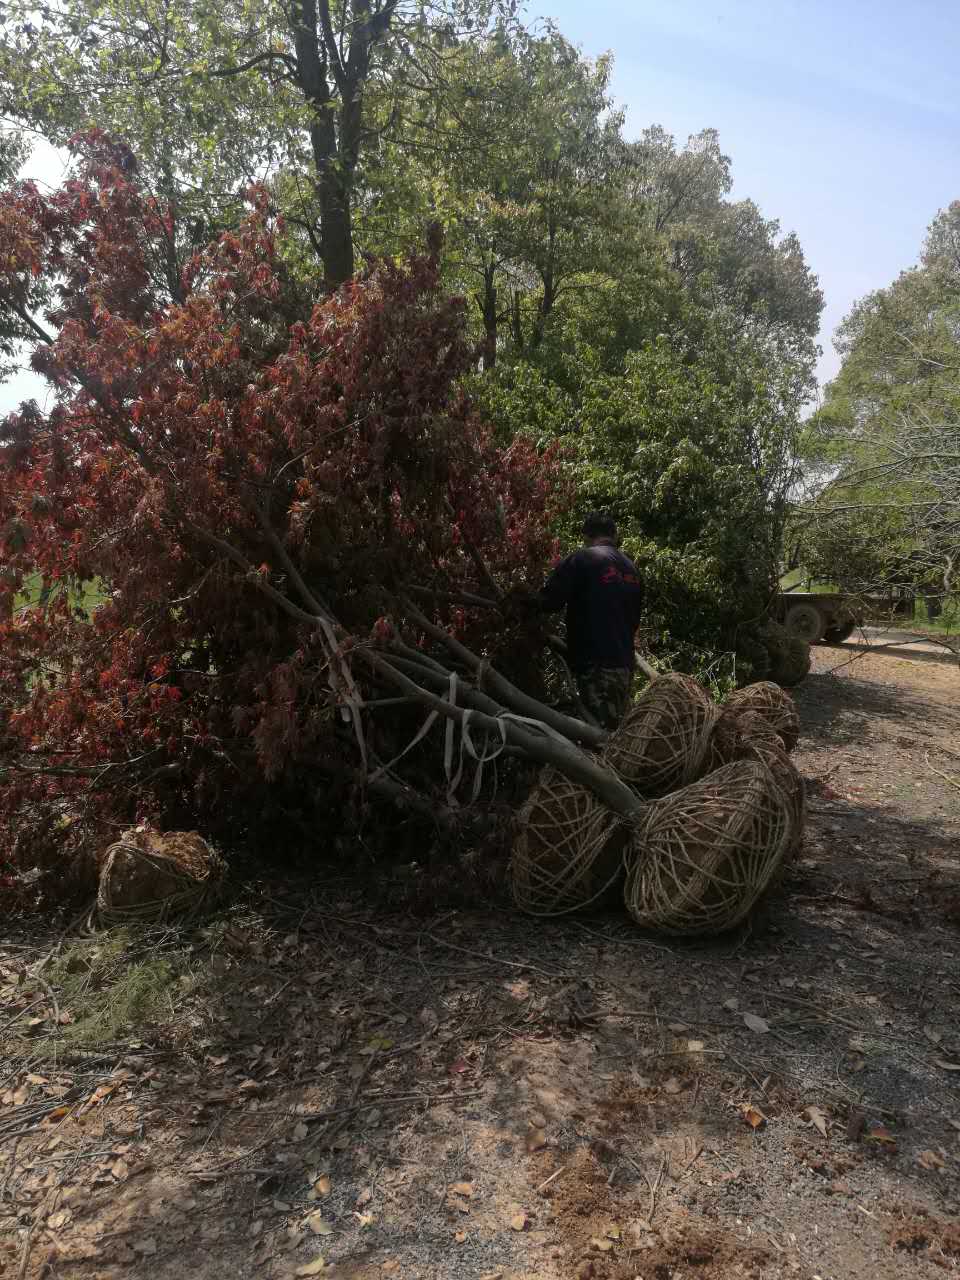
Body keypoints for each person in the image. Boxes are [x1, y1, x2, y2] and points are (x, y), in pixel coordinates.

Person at [534, 513, 644, 730]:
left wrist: (523, 604)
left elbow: (549, 601)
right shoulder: (632, 570)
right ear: (614, 535)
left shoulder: (582, 560)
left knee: (600, 736)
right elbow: (634, 620)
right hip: (624, 665)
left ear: (586, 536)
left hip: (595, 665)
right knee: (615, 728)